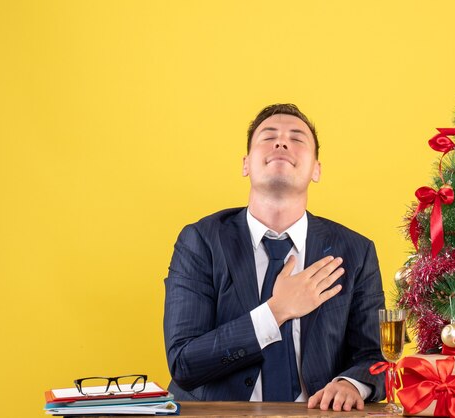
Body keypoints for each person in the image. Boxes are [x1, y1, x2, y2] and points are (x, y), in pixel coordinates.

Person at [163, 104, 385, 411]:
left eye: (297, 138)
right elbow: (183, 363)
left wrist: (351, 384)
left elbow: (375, 357)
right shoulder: (200, 241)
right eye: (268, 137)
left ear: (316, 169)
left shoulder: (356, 251)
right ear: (246, 164)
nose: (281, 143)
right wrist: (276, 311)